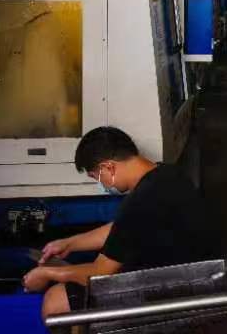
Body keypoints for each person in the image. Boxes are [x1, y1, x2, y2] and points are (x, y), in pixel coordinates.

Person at [23, 126, 210, 320]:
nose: (100, 183)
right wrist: (70, 243)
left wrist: (47, 273)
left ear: (109, 167)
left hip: (177, 290)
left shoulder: (141, 200)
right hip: (194, 277)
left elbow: (100, 273)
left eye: (96, 176)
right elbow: (123, 228)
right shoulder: (167, 175)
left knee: (57, 301)